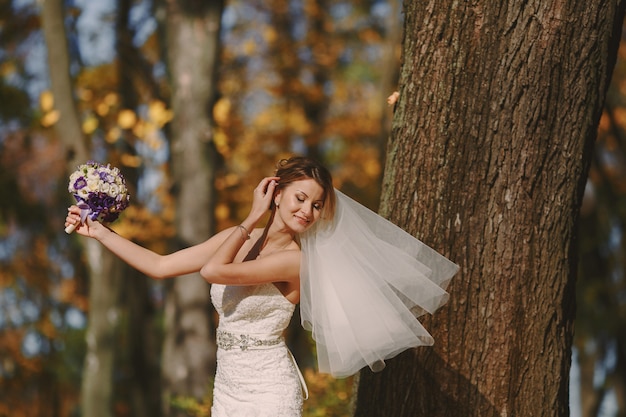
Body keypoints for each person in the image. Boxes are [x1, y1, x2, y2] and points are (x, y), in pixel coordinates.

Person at [65, 156, 458, 416]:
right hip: (228, 389)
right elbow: (160, 265)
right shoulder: (237, 238)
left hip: (270, 391)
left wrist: (253, 216)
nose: (307, 211)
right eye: (301, 198)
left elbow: (213, 272)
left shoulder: (296, 261)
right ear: (278, 191)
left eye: (317, 205)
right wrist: (98, 232)